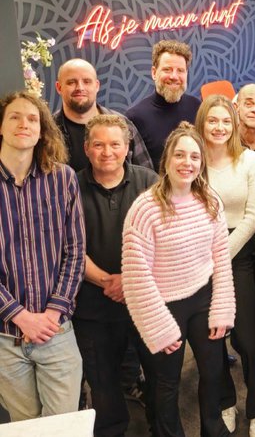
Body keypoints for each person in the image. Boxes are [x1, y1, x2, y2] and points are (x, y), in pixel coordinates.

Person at [122, 122, 236, 437]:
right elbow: (136, 276)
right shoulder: (145, 209)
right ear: (167, 160)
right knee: (165, 384)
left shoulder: (209, 201)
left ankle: (213, 430)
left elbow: (220, 257)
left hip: (203, 298)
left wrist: (222, 308)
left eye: (195, 157)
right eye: (180, 155)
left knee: (213, 372)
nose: (187, 163)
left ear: (202, 162)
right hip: (163, 304)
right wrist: (158, 326)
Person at [0, 91, 85, 421]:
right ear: (1, 126)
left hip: (56, 330)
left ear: (41, 130)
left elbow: (74, 252)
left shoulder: (62, 179)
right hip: (5, 335)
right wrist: (20, 316)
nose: (24, 123)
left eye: (32, 119)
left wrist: (52, 313)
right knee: (26, 426)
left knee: (63, 424)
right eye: (15, 117)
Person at [74, 114, 157, 436]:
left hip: (145, 302)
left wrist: (129, 280)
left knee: (158, 376)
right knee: (103, 384)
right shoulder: (70, 186)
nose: (107, 152)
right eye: (98, 145)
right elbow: (68, 245)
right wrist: (106, 281)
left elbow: (164, 239)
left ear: (127, 147)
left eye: (115, 144)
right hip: (93, 307)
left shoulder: (150, 182)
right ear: (86, 148)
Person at [196, 95, 255, 436]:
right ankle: (226, 401)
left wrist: (220, 255)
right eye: (212, 120)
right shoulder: (193, 160)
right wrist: (204, 258)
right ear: (202, 123)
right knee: (210, 341)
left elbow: (254, 217)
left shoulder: (249, 160)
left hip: (236, 251)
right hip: (195, 254)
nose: (219, 127)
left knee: (248, 339)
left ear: (235, 124)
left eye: (226, 121)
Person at [54, 58, 153, 171]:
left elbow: (146, 175)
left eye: (87, 81)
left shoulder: (123, 125)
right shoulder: (48, 130)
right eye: (71, 82)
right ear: (59, 87)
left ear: (97, 86)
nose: (80, 88)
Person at [126, 40, 202, 166]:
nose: (174, 76)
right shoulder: (135, 118)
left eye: (180, 70)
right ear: (154, 73)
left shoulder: (197, 107)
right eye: (167, 69)